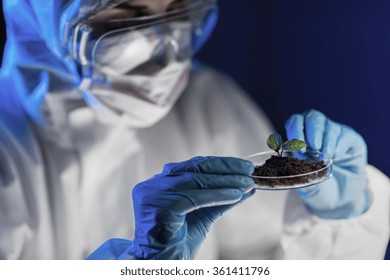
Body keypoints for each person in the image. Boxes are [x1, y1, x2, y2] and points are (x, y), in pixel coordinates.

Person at [0, 0, 389, 260]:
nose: (167, 54)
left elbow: (268, 258)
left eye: (177, 9)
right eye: (123, 17)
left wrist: (337, 222)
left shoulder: (209, 103)